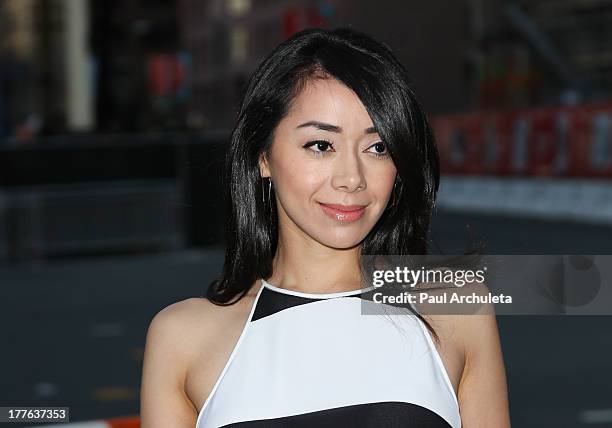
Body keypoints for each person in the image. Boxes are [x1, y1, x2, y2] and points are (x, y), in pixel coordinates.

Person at [140, 27, 511, 427]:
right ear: (263, 156)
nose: (352, 178)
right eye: (321, 145)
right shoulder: (183, 337)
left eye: (378, 147)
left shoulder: (458, 308)